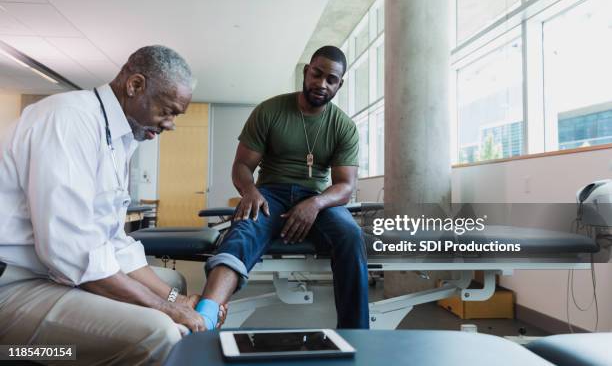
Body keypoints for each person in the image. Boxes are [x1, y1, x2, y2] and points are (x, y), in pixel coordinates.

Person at [0, 45, 224, 365]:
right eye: (168, 110)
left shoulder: (118, 139)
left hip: (49, 275)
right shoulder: (69, 120)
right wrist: (165, 308)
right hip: (12, 286)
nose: (171, 124)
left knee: (173, 284)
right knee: (159, 333)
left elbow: (113, 243)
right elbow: (71, 251)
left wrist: (179, 301)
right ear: (135, 85)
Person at [194, 45, 369, 330]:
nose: (322, 84)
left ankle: (357, 334)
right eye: (317, 74)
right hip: (269, 194)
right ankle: (204, 316)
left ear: (340, 84)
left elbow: (345, 186)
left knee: (351, 234)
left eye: (331, 79)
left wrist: (315, 204)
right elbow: (241, 166)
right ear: (306, 71)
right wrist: (250, 192)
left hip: (317, 197)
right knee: (242, 231)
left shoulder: (343, 126)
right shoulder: (270, 110)